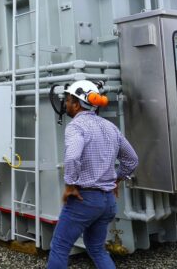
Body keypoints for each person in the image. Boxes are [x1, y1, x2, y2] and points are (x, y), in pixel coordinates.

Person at [47, 80, 139, 269]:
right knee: (97, 249)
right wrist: (117, 180)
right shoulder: (110, 127)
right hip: (108, 203)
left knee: (59, 246)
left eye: (68, 99)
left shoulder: (76, 126)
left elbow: (72, 157)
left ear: (76, 102)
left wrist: (70, 185)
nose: (65, 104)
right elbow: (132, 160)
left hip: (85, 199)